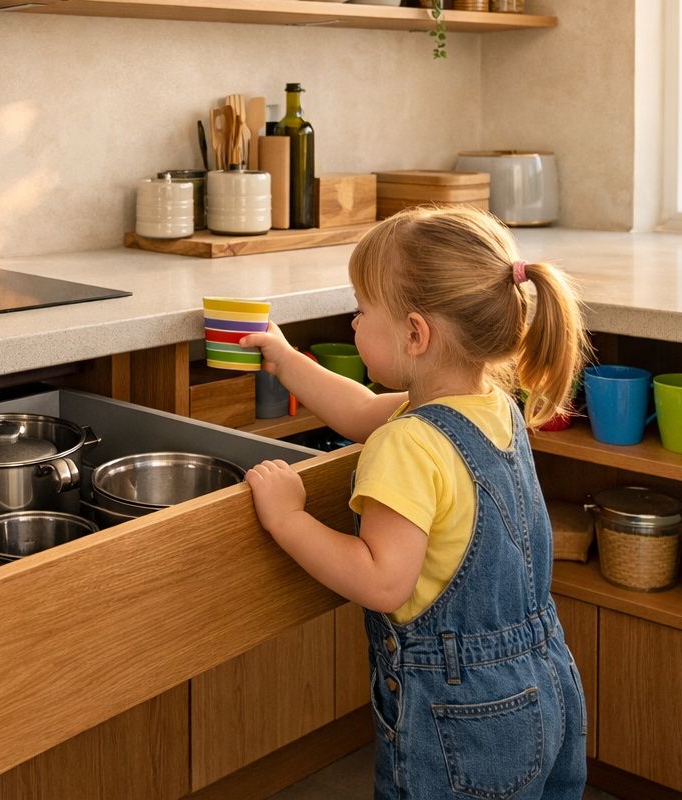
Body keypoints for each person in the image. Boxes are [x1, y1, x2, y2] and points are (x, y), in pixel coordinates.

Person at [240, 207, 589, 799]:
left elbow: (381, 581)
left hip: (462, 713)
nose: (352, 323)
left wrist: (287, 517)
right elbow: (355, 411)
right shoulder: (489, 408)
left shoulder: (408, 443)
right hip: (547, 680)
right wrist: (285, 358)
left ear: (415, 333)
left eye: (361, 309)